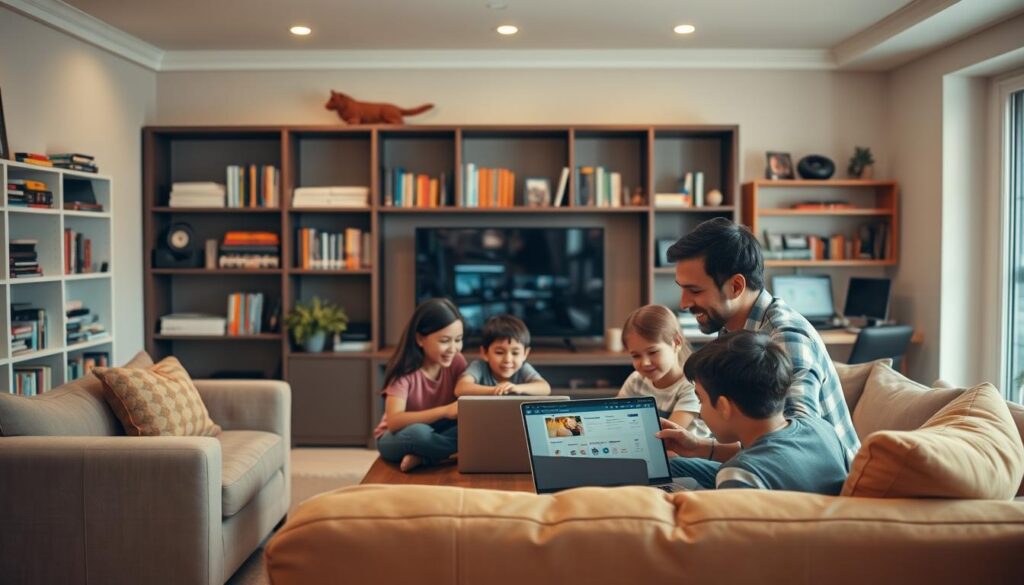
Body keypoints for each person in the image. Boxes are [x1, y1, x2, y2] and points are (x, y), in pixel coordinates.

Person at [664, 217, 859, 470]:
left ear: (736, 286)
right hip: (771, 466)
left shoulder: (784, 337)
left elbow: (794, 443)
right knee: (663, 471)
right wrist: (700, 447)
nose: (683, 303)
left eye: (695, 290)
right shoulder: (733, 330)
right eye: (682, 289)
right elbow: (761, 439)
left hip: (816, 487)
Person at [657, 330, 849, 493]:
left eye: (701, 400)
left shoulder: (739, 474)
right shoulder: (821, 426)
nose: (701, 410)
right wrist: (698, 446)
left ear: (724, 407)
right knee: (670, 467)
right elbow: (774, 452)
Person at [374, 298, 466, 472]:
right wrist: (445, 411)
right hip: (397, 436)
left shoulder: (457, 361)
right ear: (420, 339)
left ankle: (425, 458)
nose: (453, 349)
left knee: (470, 427)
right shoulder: (404, 372)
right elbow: (394, 421)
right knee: (419, 433)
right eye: (445, 340)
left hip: (439, 430)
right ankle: (448, 454)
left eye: (458, 340)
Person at [617, 304, 709, 437]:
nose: (645, 362)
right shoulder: (636, 381)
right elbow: (616, 419)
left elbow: (667, 437)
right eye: (636, 355)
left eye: (653, 352)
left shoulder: (691, 386)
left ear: (676, 342)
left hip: (684, 454)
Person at [455, 314, 551, 396]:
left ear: (525, 354)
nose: (508, 359)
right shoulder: (479, 366)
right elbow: (460, 389)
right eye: (499, 352)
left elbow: (545, 388)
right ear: (485, 353)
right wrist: (495, 390)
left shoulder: (523, 368)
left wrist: (517, 388)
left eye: (515, 353)